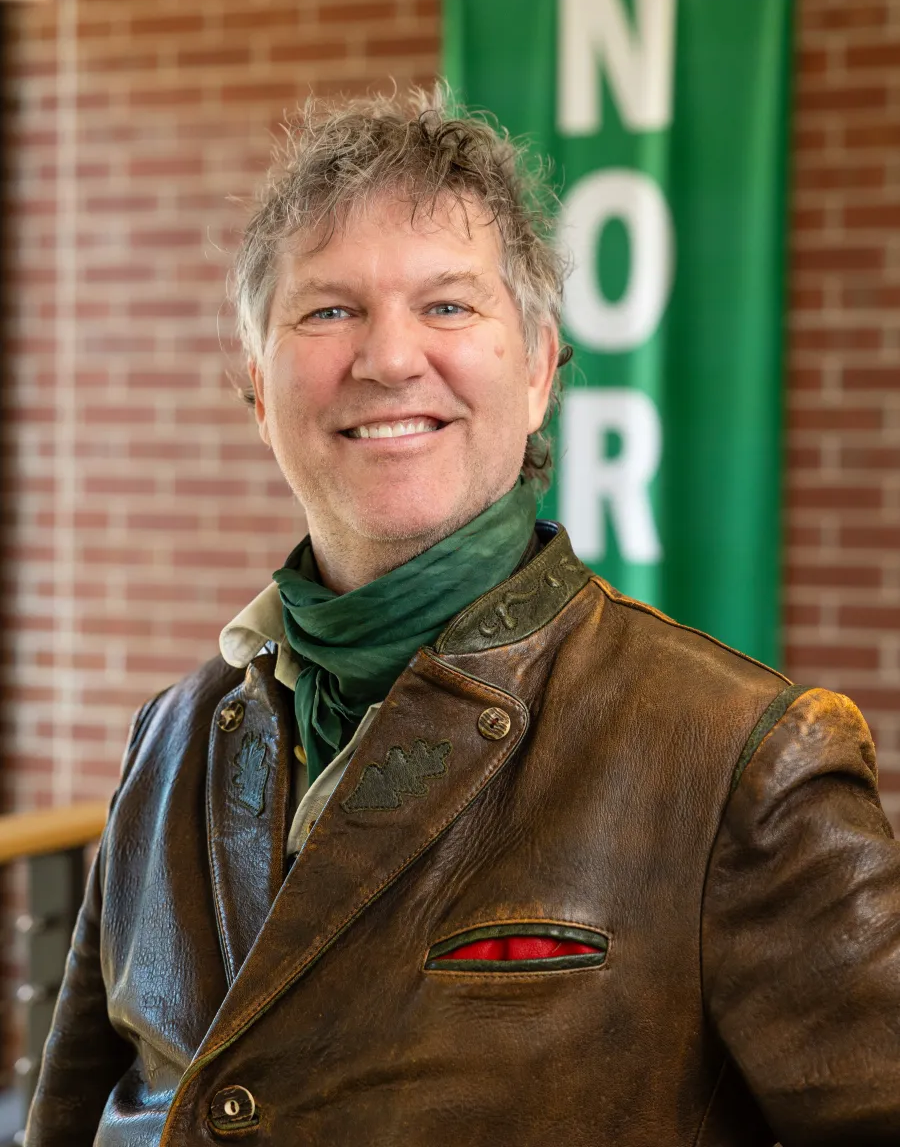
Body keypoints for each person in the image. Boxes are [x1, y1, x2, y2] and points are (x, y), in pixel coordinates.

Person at [26, 88, 900, 1147]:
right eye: (327, 310)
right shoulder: (165, 739)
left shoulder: (740, 759)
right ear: (258, 386)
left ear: (538, 371)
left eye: (448, 306)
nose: (389, 359)